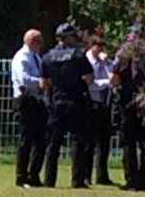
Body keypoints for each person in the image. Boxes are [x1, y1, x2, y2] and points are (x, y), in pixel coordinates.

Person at [39, 23, 94, 188]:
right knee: (77, 142)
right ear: (69, 37)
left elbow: (43, 83)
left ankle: (49, 180)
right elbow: (90, 78)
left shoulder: (47, 57)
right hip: (76, 102)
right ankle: (77, 180)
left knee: (53, 143)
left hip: (56, 103)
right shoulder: (77, 55)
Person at [114, 23, 145, 191]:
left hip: (128, 100)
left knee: (129, 141)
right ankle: (144, 180)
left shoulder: (124, 52)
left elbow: (113, 77)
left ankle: (131, 180)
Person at [10, 28, 48, 188]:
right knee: (26, 139)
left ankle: (34, 175)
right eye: (39, 43)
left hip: (37, 100)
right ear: (32, 42)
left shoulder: (36, 57)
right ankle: (21, 176)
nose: (41, 46)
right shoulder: (22, 57)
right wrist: (40, 82)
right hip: (25, 99)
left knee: (40, 140)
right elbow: (23, 79)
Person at [84, 34, 116, 186]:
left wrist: (107, 62)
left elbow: (113, 77)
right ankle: (86, 175)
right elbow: (91, 84)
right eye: (99, 46)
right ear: (92, 46)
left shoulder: (104, 62)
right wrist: (107, 83)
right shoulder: (87, 61)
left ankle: (102, 175)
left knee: (104, 141)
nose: (101, 50)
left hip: (104, 103)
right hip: (91, 102)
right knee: (89, 141)